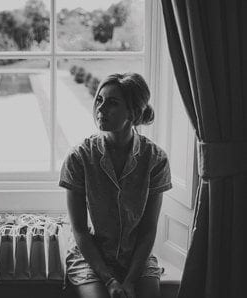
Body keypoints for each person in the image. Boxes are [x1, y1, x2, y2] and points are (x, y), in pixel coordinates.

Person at [59, 73, 171, 298]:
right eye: (99, 100)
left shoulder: (155, 159)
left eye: (112, 103)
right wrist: (110, 280)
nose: (100, 109)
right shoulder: (79, 158)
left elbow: (148, 229)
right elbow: (80, 230)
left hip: (136, 258)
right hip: (91, 258)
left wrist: (129, 281)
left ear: (133, 111)